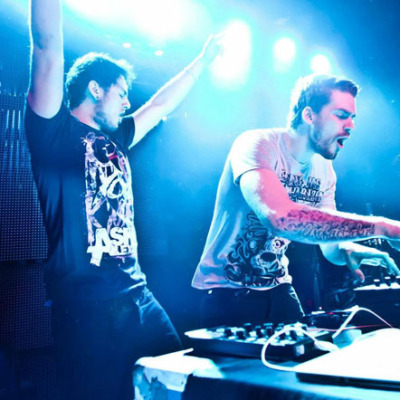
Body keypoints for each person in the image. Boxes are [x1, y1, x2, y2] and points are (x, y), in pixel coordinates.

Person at [25, 0, 222, 399]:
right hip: (85, 307)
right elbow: (47, 46)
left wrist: (202, 62)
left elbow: (161, 105)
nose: (127, 103)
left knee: (179, 384)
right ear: (95, 89)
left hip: (138, 296)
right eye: (121, 93)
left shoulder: (116, 138)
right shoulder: (52, 132)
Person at [192, 74, 400, 329]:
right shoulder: (257, 143)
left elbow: (329, 246)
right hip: (228, 294)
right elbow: (280, 219)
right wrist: (382, 227)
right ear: (309, 115)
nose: (351, 126)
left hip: (281, 291)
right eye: (341, 115)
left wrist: (348, 249)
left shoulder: (324, 169)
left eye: (352, 117)